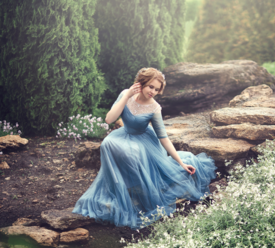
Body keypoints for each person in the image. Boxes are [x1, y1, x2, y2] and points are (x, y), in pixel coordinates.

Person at [72, 67, 216, 229]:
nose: (153, 91)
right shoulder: (125, 94)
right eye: (150, 87)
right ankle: (121, 187)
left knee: (133, 153)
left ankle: (138, 190)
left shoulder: (155, 108)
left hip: (143, 141)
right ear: (141, 84)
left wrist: (181, 163)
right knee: (107, 143)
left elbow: (164, 138)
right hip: (124, 135)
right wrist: (126, 96)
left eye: (156, 89)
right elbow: (109, 119)